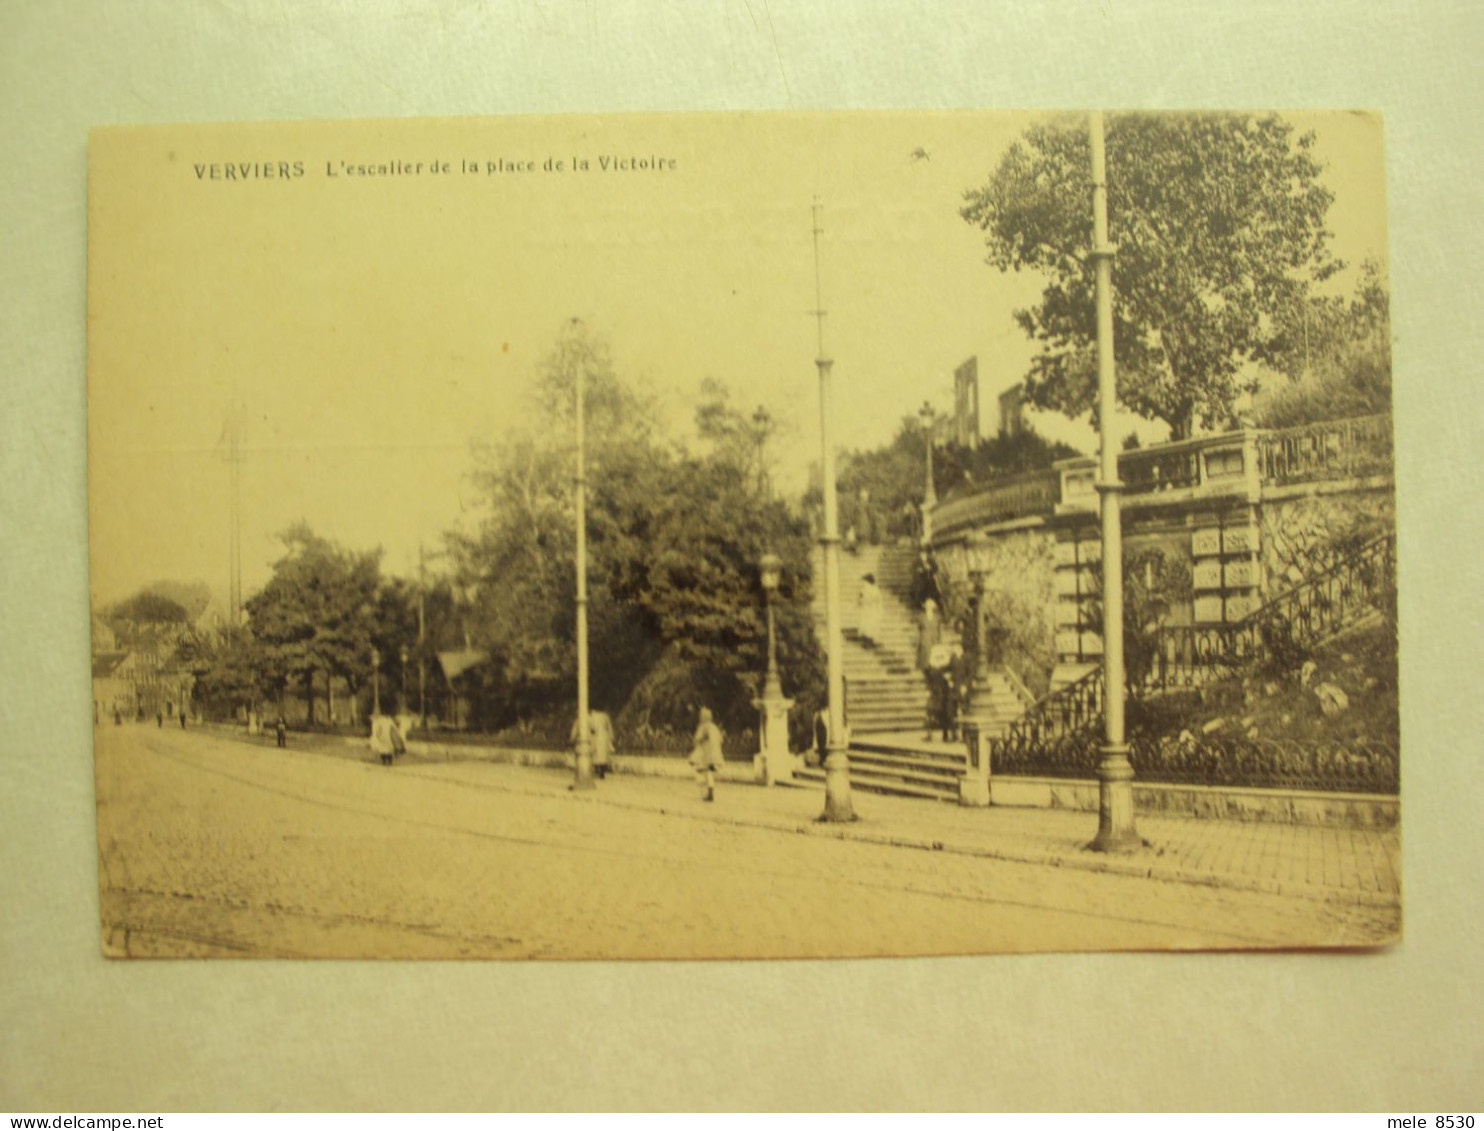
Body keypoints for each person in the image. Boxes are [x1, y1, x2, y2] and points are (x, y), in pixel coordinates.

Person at [689, 707, 725, 802]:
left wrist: (699, 741)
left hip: (705, 754)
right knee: (708, 773)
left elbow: (697, 739)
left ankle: (706, 793)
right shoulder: (714, 727)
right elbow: (720, 739)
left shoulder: (703, 727)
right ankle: (709, 792)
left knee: (700, 771)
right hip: (714, 755)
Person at [857, 573, 884, 647]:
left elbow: (878, 600)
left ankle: (870, 641)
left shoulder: (874, 590)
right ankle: (867, 641)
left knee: (871, 626)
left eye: (865, 582)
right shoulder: (864, 590)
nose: (863, 583)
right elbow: (860, 600)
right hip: (866, 610)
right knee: (866, 625)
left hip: (871, 610)